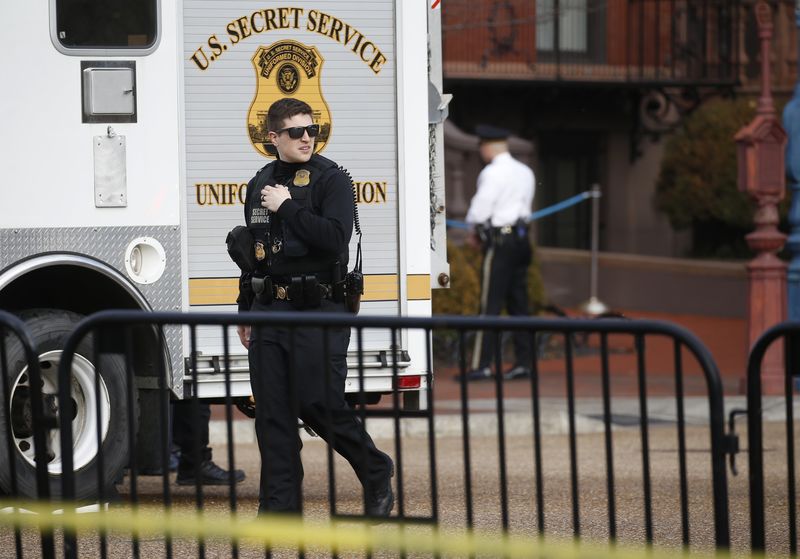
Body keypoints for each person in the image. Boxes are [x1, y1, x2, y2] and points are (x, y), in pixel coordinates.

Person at [234, 98, 394, 516]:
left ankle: (375, 470)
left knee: (318, 402)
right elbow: (256, 252)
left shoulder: (331, 179)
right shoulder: (260, 182)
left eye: (312, 130)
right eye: (296, 132)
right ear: (273, 138)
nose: (307, 138)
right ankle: (279, 510)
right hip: (270, 309)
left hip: (320, 308)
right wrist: (245, 307)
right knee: (272, 414)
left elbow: (335, 239)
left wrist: (287, 207)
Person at [463, 124, 535, 381]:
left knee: (489, 304)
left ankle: (482, 365)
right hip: (521, 239)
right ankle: (524, 363)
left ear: (487, 147)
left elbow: (480, 209)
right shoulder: (524, 171)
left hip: (501, 243)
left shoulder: (492, 173)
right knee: (519, 305)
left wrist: (472, 231)